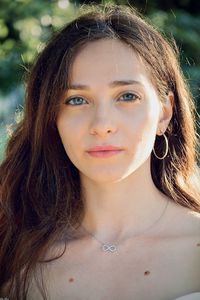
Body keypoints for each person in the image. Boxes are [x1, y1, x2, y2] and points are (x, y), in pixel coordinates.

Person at [0, 3, 200, 300]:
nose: (102, 124)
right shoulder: (13, 256)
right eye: (77, 100)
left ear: (164, 112)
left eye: (127, 96)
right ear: (52, 118)